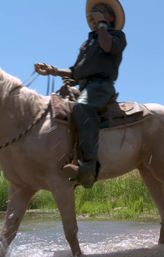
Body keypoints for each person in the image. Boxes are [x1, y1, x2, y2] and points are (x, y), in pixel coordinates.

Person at [34, 0, 127, 188]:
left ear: (110, 17)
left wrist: (102, 26)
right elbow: (76, 72)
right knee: (55, 107)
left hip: (101, 86)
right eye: (93, 14)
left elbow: (108, 47)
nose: (94, 15)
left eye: (100, 12)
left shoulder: (116, 36)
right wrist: (53, 71)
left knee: (82, 107)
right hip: (84, 86)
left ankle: (88, 168)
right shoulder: (88, 43)